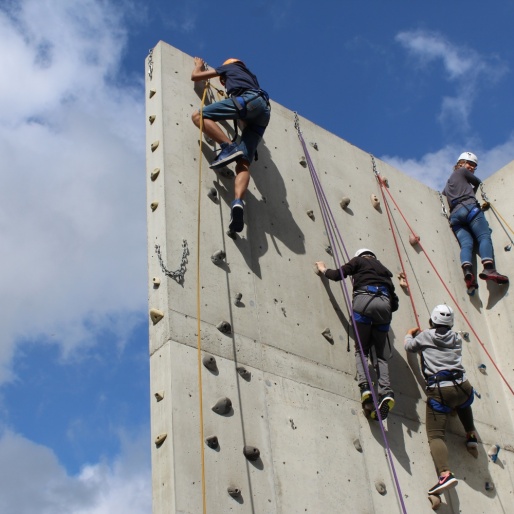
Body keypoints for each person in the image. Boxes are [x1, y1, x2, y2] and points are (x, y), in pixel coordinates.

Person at [315, 249, 399, 420]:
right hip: (384, 307)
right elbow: (395, 304)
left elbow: (338, 275)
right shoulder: (384, 271)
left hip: (364, 302)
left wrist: (324, 270)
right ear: (373, 257)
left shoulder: (358, 262)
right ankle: (385, 391)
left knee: (362, 349)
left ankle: (365, 387)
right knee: (381, 356)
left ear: (361, 256)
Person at [404, 304, 478, 496]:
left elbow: (409, 347)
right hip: (463, 385)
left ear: (432, 320)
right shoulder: (456, 338)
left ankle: (445, 474)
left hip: (440, 390)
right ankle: (471, 435)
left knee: (436, 436)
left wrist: (409, 334)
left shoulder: (426, 336)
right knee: (462, 403)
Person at [191, 57, 271, 233]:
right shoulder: (250, 76)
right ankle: (238, 202)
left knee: (198, 116)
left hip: (248, 102)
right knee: (243, 162)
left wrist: (199, 66)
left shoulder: (229, 68)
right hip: (263, 112)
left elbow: (196, 77)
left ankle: (228, 147)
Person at [442, 151, 508, 294]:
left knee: (466, 245)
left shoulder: (447, 185)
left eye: (474, 166)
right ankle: (489, 268)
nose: (471, 167)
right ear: (460, 163)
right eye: (469, 164)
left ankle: (468, 272)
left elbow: (444, 196)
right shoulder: (463, 172)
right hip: (469, 207)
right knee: (484, 236)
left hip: (455, 217)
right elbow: (478, 182)